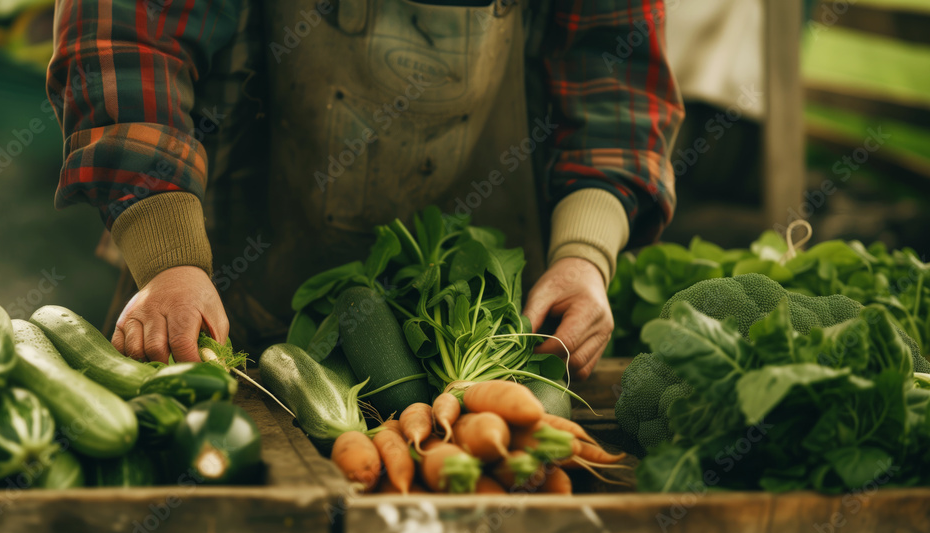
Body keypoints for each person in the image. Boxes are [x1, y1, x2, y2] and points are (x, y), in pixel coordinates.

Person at [46, 0, 683, 380]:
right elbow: (125, 36)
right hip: (213, 304)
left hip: (490, 342)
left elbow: (614, 71)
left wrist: (585, 254)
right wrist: (169, 256)